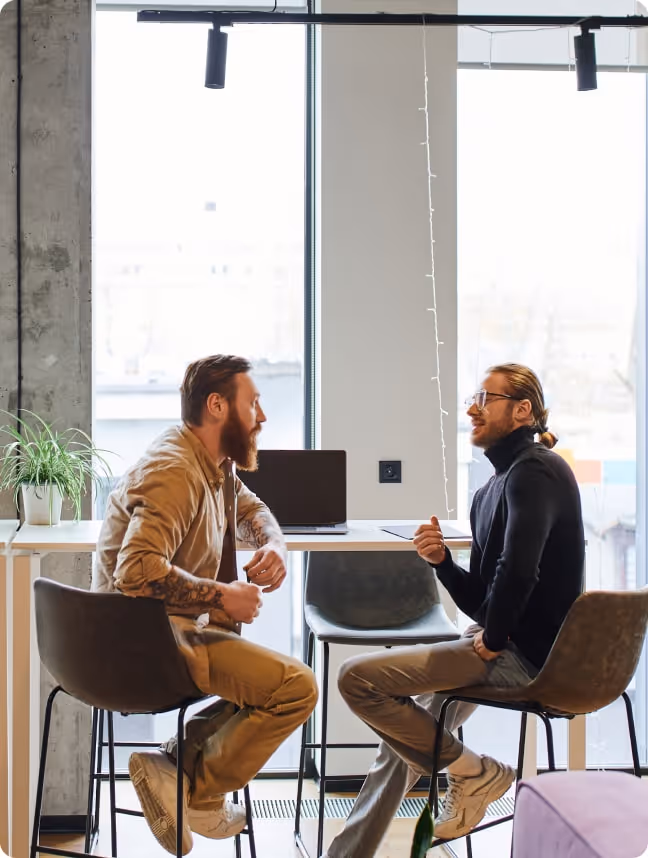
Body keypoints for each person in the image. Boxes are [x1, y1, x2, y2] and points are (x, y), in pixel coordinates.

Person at [321, 363, 584, 857]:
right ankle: (347, 855)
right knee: (407, 735)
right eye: (472, 398)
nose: (471, 409)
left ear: (522, 410)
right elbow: (485, 596)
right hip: (501, 642)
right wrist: (441, 562)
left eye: (486, 398)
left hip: (530, 658)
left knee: (358, 680)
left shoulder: (537, 470)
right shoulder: (492, 489)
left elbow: (518, 571)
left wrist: (493, 638)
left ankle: (477, 774)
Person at [94, 354, 318, 856]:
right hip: (139, 647)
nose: (262, 416)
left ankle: (173, 766)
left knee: (266, 682)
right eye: (253, 403)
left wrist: (275, 545)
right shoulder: (175, 471)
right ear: (217, 406)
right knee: (297, 688)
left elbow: (250, 506)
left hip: (164, 633)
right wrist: (223, 595)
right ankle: (199, 794)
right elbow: (136, 571)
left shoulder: (211, 463)